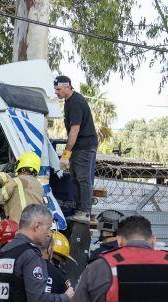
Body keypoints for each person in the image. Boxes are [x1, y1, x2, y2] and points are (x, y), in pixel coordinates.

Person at [54, 75, 98, 223]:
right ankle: (78, 208)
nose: (56, 92)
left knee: (83, 179)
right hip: (78, 147)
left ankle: (84, 211)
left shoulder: (76, 102)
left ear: (67, 86)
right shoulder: (68, 102)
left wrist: (66, 154)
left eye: (58, 89)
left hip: (84, 146)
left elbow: (74, 130)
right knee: (74, 178)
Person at [0, 152, 45, 223]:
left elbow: (1, 198)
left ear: (19, 166)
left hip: (19, 225)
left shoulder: (15, 181)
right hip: (36, 225)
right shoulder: (39, 184)